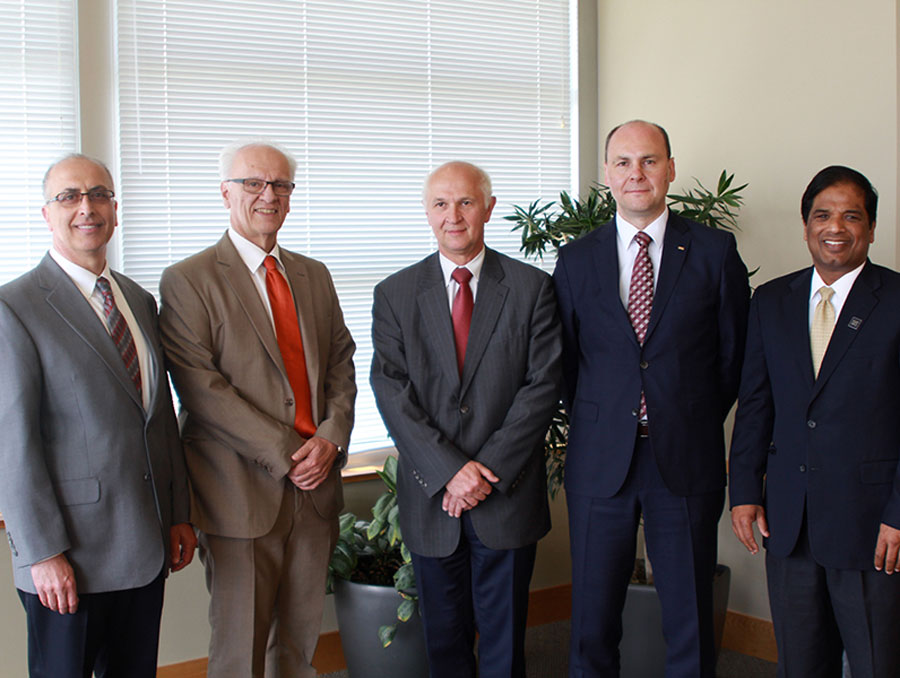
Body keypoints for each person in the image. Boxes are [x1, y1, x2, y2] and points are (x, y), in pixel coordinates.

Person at [554, 120, 750, 677]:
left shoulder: (714, 251)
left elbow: (732, 357)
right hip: (599, 462)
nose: (635, 173)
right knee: (591, 623)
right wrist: (605, 417)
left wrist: (686, 416)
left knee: (689, 617)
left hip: (685, 459)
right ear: (607, 174)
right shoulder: (576, 260)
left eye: (648, 160)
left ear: (669, 168)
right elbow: (565, 364)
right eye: (622, 162)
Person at [159, 140, 356, 678]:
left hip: (314, 493)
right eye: (253, 183)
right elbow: (201, 389)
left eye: (281, 185)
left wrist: (332, 437)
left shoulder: (314, 274)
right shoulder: (188, 279)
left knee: (296, 648)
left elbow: (342, 361)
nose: (268, 195)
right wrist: (290, 452)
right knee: (239, 653)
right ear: (225, 192)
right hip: (238, 494)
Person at [0, 153, 196, 678]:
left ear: (115, 208)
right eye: (69, 196)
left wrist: (178, 511)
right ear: (46, 213)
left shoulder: (137, 298)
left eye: (99, 194)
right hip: (70, 559)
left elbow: (157, 417)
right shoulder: (14, 307)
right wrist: (42, 554)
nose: (86, 207)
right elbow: (12, 445)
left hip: (145, 546)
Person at [370, 161, 562, 677]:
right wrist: (450, 472)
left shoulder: (531, 288)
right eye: (440, 204)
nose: (452, 216)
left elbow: (542, 388)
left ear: (489, 208)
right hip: (434, 500)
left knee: (505, 647)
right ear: (427, 213)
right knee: (445, 644)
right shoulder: (395, 294)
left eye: (466, 202)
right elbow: (391, 390)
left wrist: (482, 472)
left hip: (507, 495)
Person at [729, 165, 900, 677]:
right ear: (805, 226)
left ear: (870, 228)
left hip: (871, 525)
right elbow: (756, 403)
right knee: (801, 663)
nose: (836, 227)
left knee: (875, 662)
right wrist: (743, 490)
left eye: (852, 216)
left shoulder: (894, 301)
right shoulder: (772, 301)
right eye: (823, 215)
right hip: (790, 521)